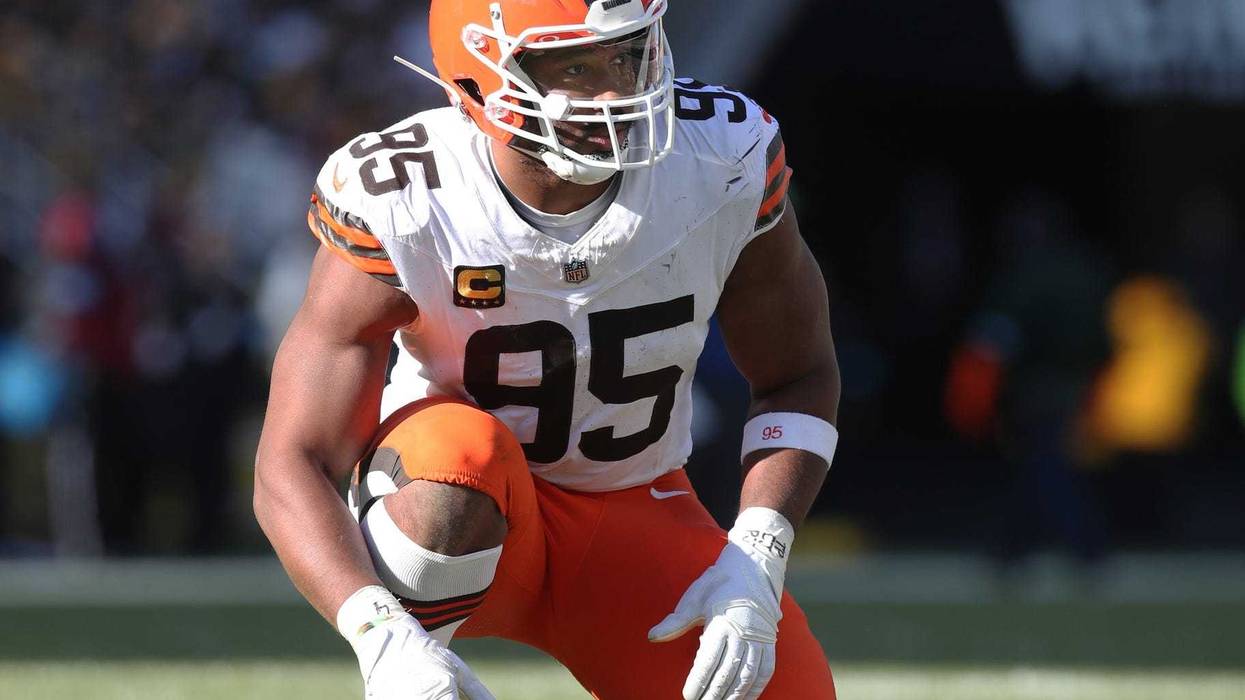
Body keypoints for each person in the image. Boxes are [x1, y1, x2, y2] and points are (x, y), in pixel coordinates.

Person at [253, 1, 840, 698]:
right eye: (575, 66)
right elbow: (295, 458)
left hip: (633, 505)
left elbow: (797, 374)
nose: (616, 91)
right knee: (456, 461)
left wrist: (756, 554)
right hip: (457, 505)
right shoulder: (408, 196)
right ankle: (420, 663)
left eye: (625, 56)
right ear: (480, 81)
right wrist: (378, 634)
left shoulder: (720, 157)